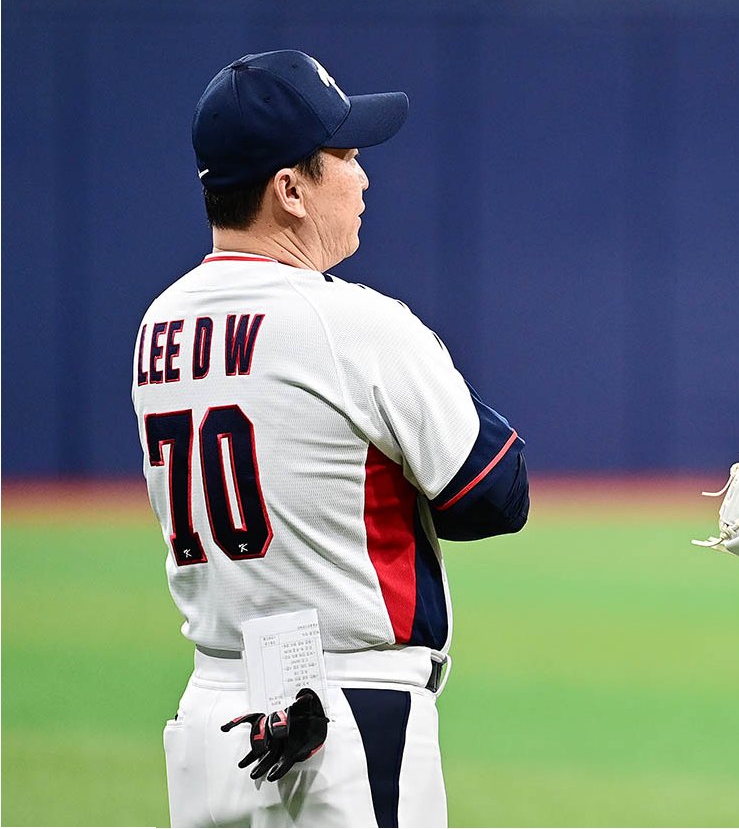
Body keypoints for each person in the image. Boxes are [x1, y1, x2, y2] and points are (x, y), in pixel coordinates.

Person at [132, 50, 529, 828]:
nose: (363, 178)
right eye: (344, 156)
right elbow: (494, 495)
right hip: (344, 714)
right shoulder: (350, 321)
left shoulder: (160, 326)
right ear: (290, 189)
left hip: (211, 712)